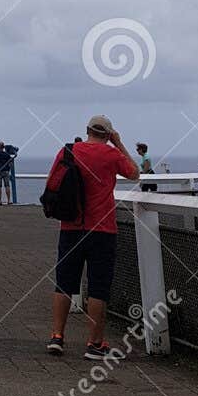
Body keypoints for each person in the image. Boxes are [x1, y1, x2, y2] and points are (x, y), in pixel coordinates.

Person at [45, 115, 139, 359]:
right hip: (102, 230)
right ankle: (95, 344)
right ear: (108, 134)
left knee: (64, 283)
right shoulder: (111, 155)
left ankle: (57, 337)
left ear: (87, 130)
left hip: (70, 227)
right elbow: (134, 173)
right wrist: (118, 143)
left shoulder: (69, 150)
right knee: (98, 287)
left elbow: (51, 182)